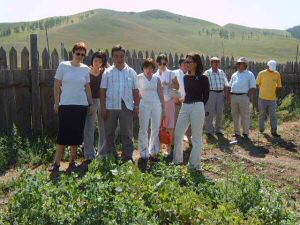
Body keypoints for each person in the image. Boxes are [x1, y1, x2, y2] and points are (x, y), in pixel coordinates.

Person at [52, 42, 93, 173]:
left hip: (81, 105)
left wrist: (90, 103)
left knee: (76, 134)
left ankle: (72, 162)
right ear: (73, 53)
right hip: (65, 104)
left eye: (82, 54)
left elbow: (87, 87)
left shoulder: (85, 68)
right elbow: (57, 85)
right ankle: (56, 163)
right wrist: (56, 102)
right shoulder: (63, 66)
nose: (80, 56)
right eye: (78, 53)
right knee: (62, 133)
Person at [100, 45, 139, 162]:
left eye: (121, 56)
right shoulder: (107, 72)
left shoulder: (131, 72)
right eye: (116, 56)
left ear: (125, 56)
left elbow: (135, 91)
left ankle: (127, 157)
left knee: (127, 133)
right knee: (109, 133)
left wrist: (136, 107)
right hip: (110, 106)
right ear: (112, 57)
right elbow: (102, 90)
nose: (119, 58)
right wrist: (103, 108)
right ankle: (112, 156)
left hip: (126, 106)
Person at [173, 53, 209, 170]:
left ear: (195, 63)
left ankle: (194, 165)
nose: (186, 64)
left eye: (189, 62)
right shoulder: (185, 77)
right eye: (185, 62)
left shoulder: (203, 78)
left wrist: (198, 106)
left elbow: (206, 96)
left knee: (196, 138)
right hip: (185, 107)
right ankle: (177, 161)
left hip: (197, 107)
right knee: (178, 134)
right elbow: (188, 93)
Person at [137, 58, 165, 161]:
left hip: (156, 105)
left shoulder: (156, 79)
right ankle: (143, 152)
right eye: (146, 68)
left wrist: (163, 108)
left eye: (150, 68)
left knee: (155, 128)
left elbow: (161, 95)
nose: (148, 70)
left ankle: (153, 150)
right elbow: (135, 92)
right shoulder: (138, 78)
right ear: (143, 68)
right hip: (143, 105)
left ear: (153, 68)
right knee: (143, 129)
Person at [83, 51, 108, 163]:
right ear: (92, 61)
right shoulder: (86, 71)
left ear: (102, 63)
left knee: (103, 127)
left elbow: (111, 68)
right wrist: (90, 103)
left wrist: (106, 64)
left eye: (100, 61)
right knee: (89, 127)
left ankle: (102, 152)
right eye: (95, 60)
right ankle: (89, 154)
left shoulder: (104, 72)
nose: (97, 63)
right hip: (90, 101)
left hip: (103, 100)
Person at [154, 54, 179, 155]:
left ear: (166, 63)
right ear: (157, 63)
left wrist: (169, 84)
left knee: (170, 125)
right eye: (160, 63)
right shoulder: (155, 75)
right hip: (157, 102)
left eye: (164, 63)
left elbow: (177, 86)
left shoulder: (171, 73)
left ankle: (169, 148)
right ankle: (158, 147)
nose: (162, 65)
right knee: (158, 125)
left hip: (169, 102)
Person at [228, 57, 256, 138]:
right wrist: (229, 96)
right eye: (238, 63)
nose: (238, 65)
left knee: (245, 115)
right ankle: (237, 133)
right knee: (235, 115)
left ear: (245, 65)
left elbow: (253, 87)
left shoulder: (249, 74)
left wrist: (247, 96)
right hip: (234, 96)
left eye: (240, 63)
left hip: (244, 96)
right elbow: (230, 85)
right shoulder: (234, 74)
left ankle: (245, 133)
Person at [204, 57, 229, 136]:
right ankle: (209, 130)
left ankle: (218, 129)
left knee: (219, 113)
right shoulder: (207, 73)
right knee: (209, 112)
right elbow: (203, 85)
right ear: (211, 63)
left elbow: (226, 84)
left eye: (218, 62)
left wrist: (226, 94)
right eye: (215, 62)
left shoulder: (221, 72)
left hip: (221, 94)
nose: (216, 63)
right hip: (211, 93)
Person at [256, 60, 282, 137]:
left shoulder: (277, 74)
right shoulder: (261, 73)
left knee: (273, 115)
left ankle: (274, 131)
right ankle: (261, 130)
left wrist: (275, 95)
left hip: (272, 99)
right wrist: (262, 91)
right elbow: (257, 84)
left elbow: (279, 86)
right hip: (262, 99)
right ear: (267, 66)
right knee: (262, 115)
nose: (271, 70)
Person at [173, 58, 192, 145]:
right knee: (177, 121)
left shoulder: (191, 73)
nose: (186, 65)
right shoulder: (174, 73)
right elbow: (172, 87)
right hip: (177, 102)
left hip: (188, 102)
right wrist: (176, 98)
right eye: (184, 63)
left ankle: (190, 139)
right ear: (180, 65)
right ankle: (176, 141)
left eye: (187, 63)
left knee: (189, 121)